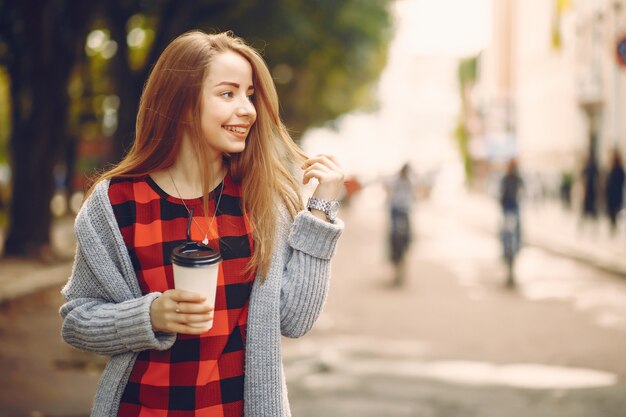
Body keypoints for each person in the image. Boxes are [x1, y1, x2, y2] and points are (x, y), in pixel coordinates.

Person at [59, 31, 344, 417]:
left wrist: (320, 212)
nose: (247, 109)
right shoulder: (116, 204)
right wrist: (150, 316)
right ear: (182, 104)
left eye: (249, 94)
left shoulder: (263, 199)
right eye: (228, 94)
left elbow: (294, 320)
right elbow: (77, 321)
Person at [385, 163, 417, 286]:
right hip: (396, 211)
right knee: (393, 237)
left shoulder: (410, 182)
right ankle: (394, 262)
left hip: (404, 211)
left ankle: (404, 252)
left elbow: (413, 198)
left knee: (407, 237)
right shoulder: (396, 181)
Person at [499, 158, 524, 286]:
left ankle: (511, 255)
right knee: (508, 239)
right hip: (509, 211)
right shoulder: (510, 179)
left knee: (512, 239)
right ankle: (508, 257)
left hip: (511, 211)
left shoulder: (515, 179)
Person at [606, 150, 625, 234]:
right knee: (615, 210)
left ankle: (613, 225)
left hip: (613, 193)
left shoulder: (613, 169)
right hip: (617, 193)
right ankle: (613, 224)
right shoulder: (620, 170)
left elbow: (609, 182)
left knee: (612, 210)